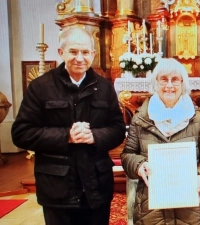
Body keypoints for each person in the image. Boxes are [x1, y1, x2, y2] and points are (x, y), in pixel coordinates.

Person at [11, 27, 126, 225]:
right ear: (61, 52)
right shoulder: (40, 87)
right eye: (73, 51)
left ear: (93, 54)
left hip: (96, 184)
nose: (79, 58)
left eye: (85, 52)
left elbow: (117, 129)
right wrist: (67, 136)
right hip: (58, 185)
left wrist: (95, 136)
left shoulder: (105, 87)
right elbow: (21, 133)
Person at [120, 58, 200, 224]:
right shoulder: (140, 120)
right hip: (151, 206)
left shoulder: (198, 120)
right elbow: (127, 155)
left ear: (183, 83)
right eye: (163, 79)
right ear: (155, 83)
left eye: (175, 80)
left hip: (193, 207)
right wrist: (139, 165)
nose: (169, 86)